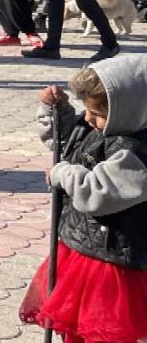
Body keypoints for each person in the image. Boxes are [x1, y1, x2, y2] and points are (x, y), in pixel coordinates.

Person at [21, 55, 147, 343]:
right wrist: (57, 111)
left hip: (112, 264)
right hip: (82, 250)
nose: (88, 119)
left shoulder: (135, 152)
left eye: (97, 113)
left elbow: (98, 193)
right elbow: (67, 142)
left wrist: (63, 175)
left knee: (104, 333)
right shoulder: (100, 127)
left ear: (130, 110)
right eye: (86, 110)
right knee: (75, 329)